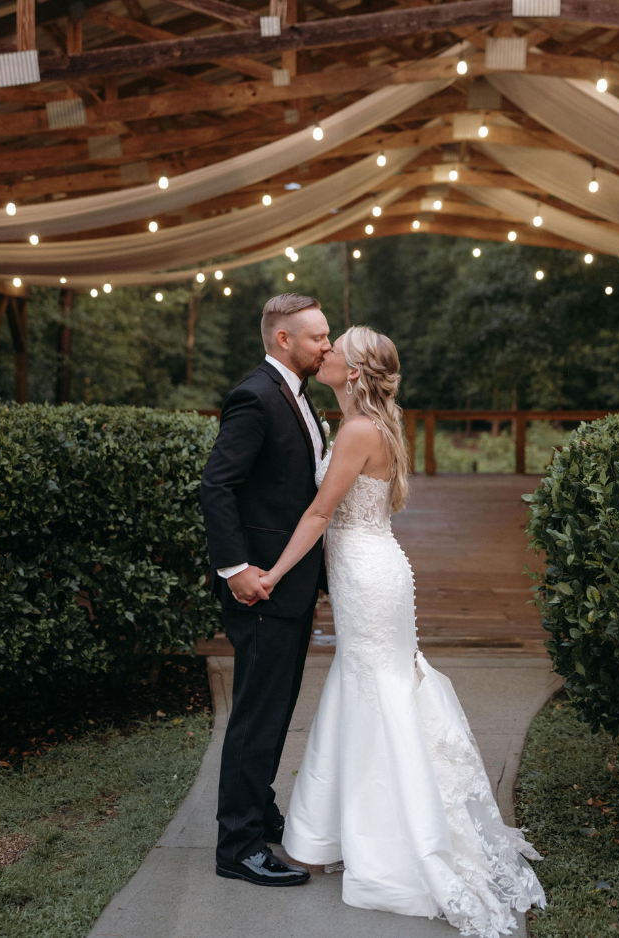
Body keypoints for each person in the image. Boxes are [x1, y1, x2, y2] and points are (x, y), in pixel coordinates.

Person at [257, 325, 547, 935]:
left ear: (356, 372)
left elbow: (318, 513)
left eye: (338, 348)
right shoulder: (369, 424)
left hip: (368, 576)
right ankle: (332, 828)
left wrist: (274, 574)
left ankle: (392, 840)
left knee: (377, 690)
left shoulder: (360, 430)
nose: (326, 350)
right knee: (370, 684)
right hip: (375, 568)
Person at [200, 293, 331, 886]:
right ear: (284, 340)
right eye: (318, 338)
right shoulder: (254, 397)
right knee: (256, 715)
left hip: (292, 586)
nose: (327, 346)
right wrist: (237, 570)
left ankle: (260, 811)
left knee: (274, 712)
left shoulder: (299, 397)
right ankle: (239, 847)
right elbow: (217, 487)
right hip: (262, 589)